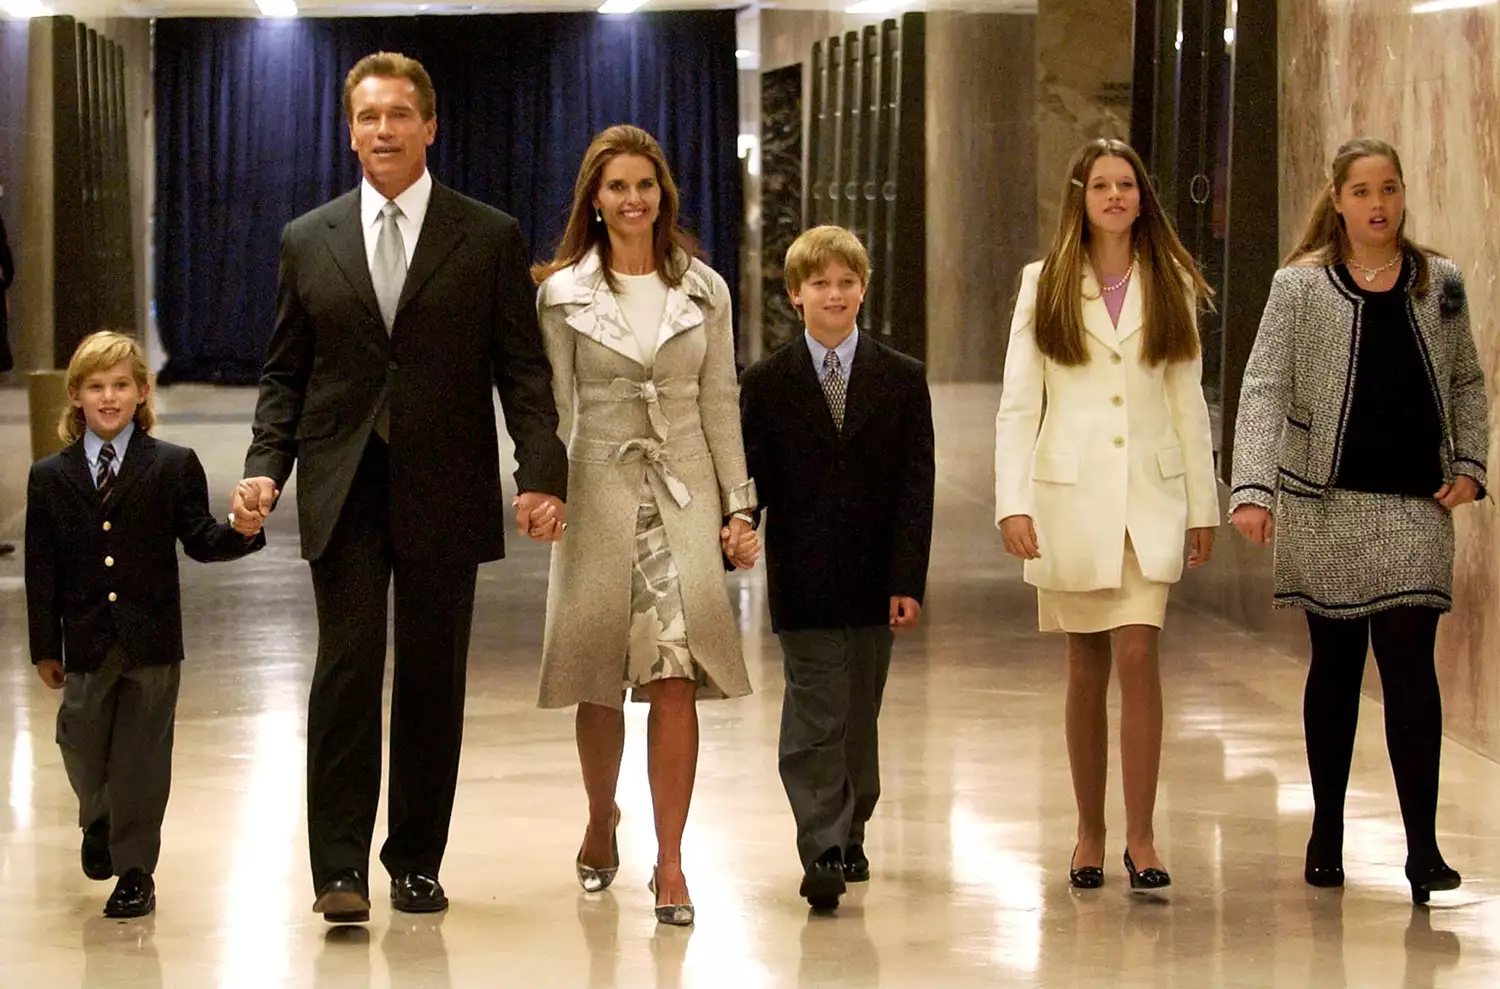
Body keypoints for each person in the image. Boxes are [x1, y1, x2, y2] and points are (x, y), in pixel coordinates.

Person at [230, 51, 569, 923]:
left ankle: (415, 860)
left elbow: (521, 371)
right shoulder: (308, 239)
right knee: (345, 672)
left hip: (444, 485)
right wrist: (266, 465)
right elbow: (285, 374)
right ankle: (337, 868)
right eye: (368, 117)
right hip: (344, 484)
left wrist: (540, 473)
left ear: (429, 126)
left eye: (398, 115)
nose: (383, 130)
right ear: (351, 132)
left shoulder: (486, 234)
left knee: (430, 676)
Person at [1228, 137, 1487, 905]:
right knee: (1336, 669)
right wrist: (1251, 487)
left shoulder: (1440, 281)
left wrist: (1470, 464)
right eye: (1364, 191)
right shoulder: (1298, 287)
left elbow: (1467, 377)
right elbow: (1264, 383)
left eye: (1391, 189)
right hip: (1323, 503)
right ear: (1337, 198)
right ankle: (1328, 828)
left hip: (1414, 507)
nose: (1379, 204)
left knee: (1410, 669)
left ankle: (1423, 848)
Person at [532, 124, 758, 927]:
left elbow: (721, 399)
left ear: (663, 195)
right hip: (597, 494)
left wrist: (740, 503)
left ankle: (671, 859)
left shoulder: (705, 290)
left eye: (646, 185)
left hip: (685, 495)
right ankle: (602, 817)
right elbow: (553, 409)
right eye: (618, 186)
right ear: (594, 199)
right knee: (598, 679)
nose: (634, 199)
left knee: (674, 673)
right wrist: (540, 489)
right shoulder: (561, 295)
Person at [994, 138, 1218, 892]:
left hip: (1150, 498)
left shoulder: (1172, 279)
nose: (1116, 196)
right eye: (1102, 185)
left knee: (1136, 653)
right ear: (1080, 197)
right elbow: (1020, 402)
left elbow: (1187, 399)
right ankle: (1089, 831)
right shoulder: (1044, 281)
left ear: (1142, 196)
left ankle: (1143, 835)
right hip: (1069, 500)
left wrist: (1203, 504)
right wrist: (1012, 502)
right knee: (1085, 663)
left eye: (1127, 185)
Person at [26, 331, 264, 918]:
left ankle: (135, 871)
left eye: (121, 385)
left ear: (142, 392)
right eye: (96, 387)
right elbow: (41, 569)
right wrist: (43, 645)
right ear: (75, 396)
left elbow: (201, 540)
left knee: (142, 759)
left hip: (151, 640)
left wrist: (241, 530)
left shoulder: (172, 465)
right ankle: (99, 816)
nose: (109, 398)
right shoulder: (50, 477)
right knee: (78, 739)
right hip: (84, 639)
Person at [739, 225, 934, 911]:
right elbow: (750, 474)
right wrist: (738, 524)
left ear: (864, 288)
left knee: (858, 712)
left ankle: (852, 825)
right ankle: (819, 843)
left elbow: (917, 485)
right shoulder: (765, 383)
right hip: (804, 575)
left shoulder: (902, 378)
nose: (833, 293)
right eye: (819, 283)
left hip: (877, 578)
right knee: (816, 710)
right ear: (796, 294)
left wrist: (907, 579)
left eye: (845, 281)